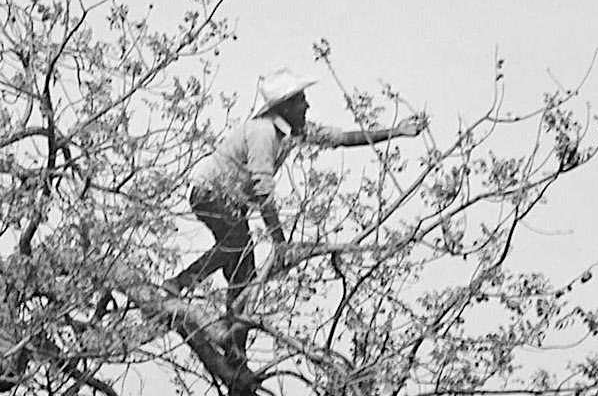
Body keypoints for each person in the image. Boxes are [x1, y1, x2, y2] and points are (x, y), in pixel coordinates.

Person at [168, 68, 426, 319]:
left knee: (244, 273)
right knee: (235, 243)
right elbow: (263, 191)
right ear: (286, 107)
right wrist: (280, 243)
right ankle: (181, 282)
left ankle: (234, 344)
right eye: (301, 101)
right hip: (210, 194)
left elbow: (344, 138)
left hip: (233, 206)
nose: (307, 106)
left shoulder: (296, 131)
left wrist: (396, 132)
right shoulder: (263, 133)